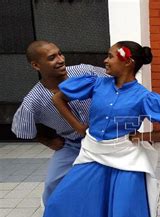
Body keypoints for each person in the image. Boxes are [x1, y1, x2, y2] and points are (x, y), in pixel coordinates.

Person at [39, 41, 160, 217]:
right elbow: (58, 98)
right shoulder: (97, 84)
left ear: (127, 62)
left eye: (110, 56)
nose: (105, 60)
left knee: (124, 203)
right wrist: (78, 127)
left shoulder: (144, 97)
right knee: (64, 198)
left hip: (126, 156)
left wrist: (144, 137)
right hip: (93, 151)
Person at [11, 40, 108, 205]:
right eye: (51, 58)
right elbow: (21, 129)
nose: (60, 60)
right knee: (52, 184)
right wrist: (48, 141)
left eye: (60, 54)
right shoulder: (34, 100)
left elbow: (115, 82)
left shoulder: (85, 71)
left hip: (106, 139)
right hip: (73, 145)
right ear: (36, 65)